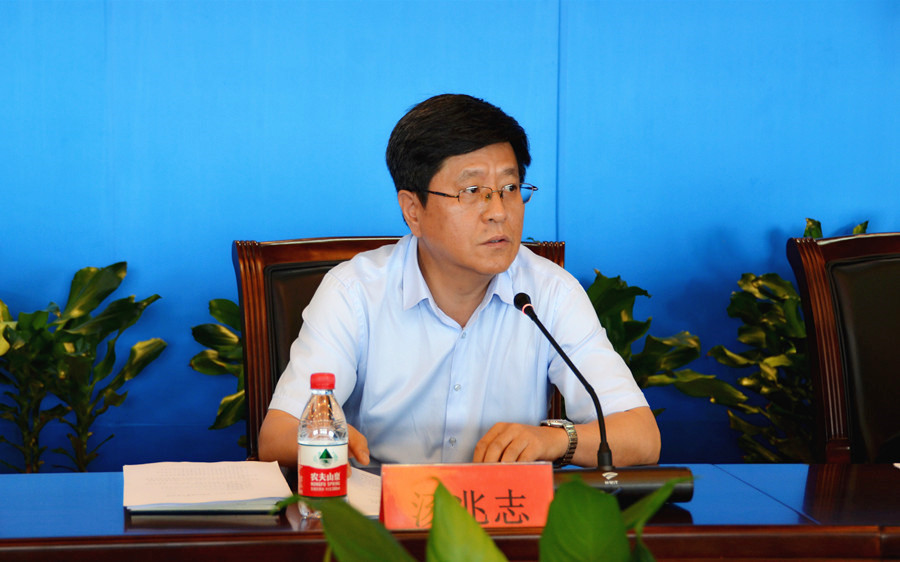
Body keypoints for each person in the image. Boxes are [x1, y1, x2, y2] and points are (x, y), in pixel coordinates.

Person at [259, 94, 660, 469]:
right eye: (472, 191)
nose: (498, 212)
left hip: (502, 516)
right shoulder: (355, 293)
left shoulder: (550, 293)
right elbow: (278, 433)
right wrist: (331, 443)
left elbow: (641, 436)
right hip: (381, 513)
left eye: (510, 188)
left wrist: (556, 440)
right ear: (413, 210)